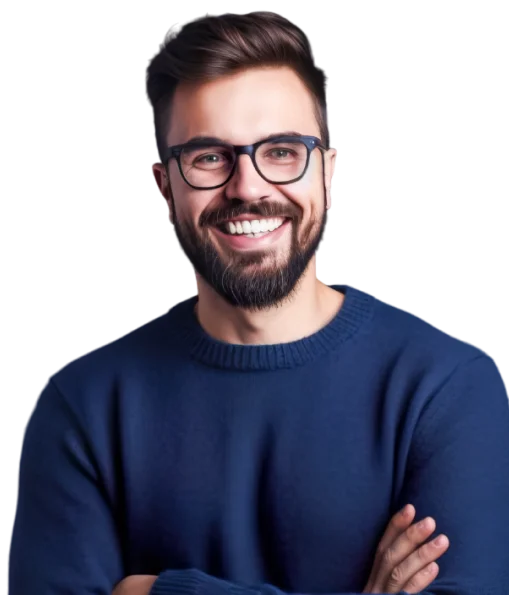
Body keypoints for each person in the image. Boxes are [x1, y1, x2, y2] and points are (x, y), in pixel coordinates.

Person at [8, 10, 508, 595]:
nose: (247, 187)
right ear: (163, 188)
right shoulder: (83, 406)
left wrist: (162, 591)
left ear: (328, 173)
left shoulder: (446, 387)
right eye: (208, 157)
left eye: (282, 151)